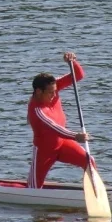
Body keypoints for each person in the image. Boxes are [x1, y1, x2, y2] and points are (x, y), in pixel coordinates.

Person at [27, 52, 95, 189]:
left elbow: (78, 75)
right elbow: (54, 128)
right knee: (33, 189)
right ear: (39, 92)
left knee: (89, 161)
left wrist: (72, 62)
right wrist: (76, 136)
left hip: (63, 143)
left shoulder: (53, 86)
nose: (54, 95)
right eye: (50, 93)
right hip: (45, 150)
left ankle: (93, 191)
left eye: (55, 91)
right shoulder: (37, 110)